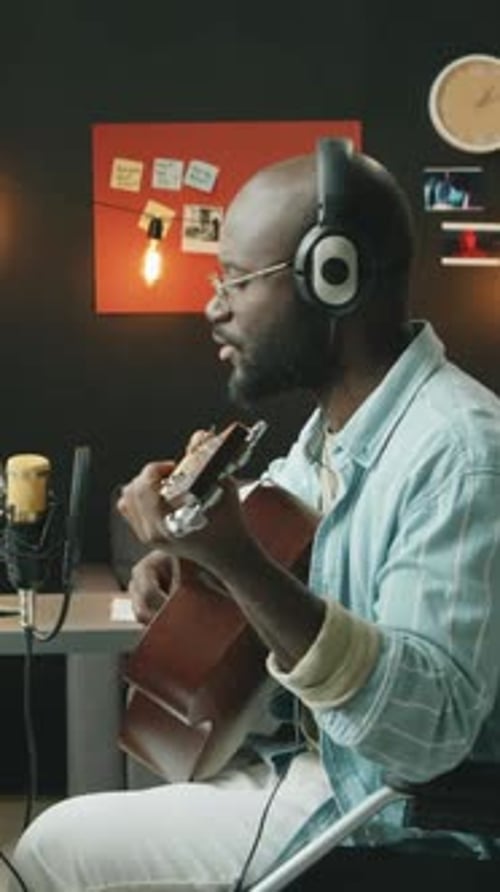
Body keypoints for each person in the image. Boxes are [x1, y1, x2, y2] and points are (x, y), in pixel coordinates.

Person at [10, 139, 500, 891]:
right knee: (132, 794)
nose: (213, 307)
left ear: (334, 279)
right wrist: (191, 558)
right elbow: (265, 529)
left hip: (393, 818)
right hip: (312, 767)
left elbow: (427, 736)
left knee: (52, 847)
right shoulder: (326, 435)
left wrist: (236, 561)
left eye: (237, 280)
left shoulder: (460, 453)